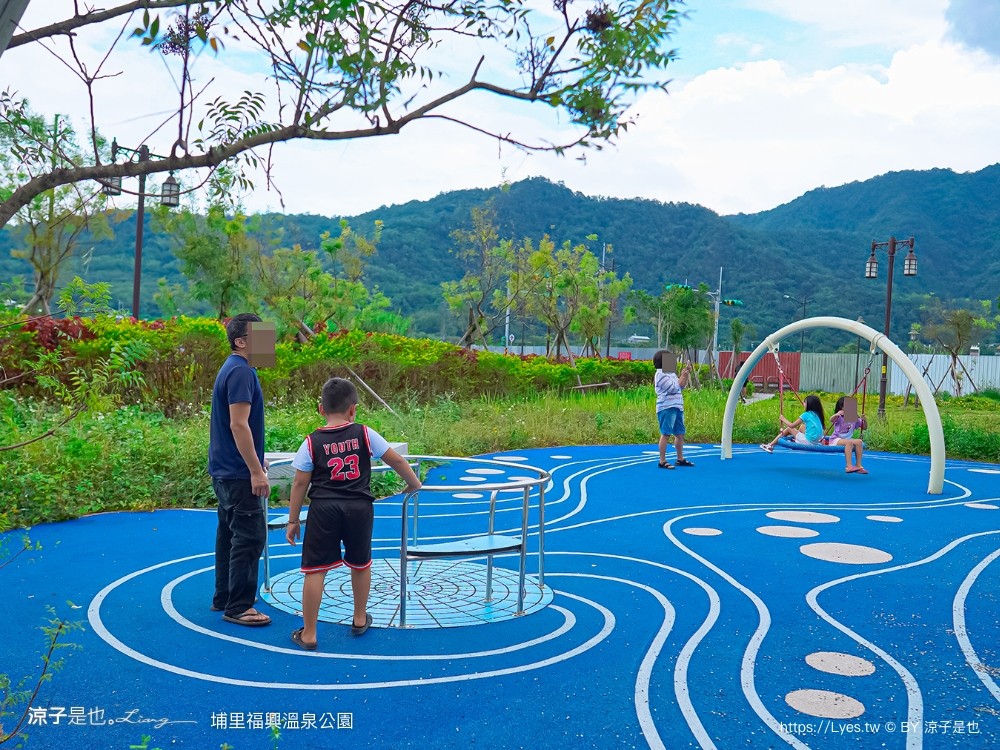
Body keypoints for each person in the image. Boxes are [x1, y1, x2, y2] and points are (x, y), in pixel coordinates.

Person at [285, 377, 421, 649]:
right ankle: (359, 618)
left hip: (323, 509)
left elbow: (300, 483)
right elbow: (395, 459)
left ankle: (309, 633)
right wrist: (414, 483)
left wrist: (293, 519)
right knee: (360, 563)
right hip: (359, 508)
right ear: (353, 409)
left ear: (321, 409)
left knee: (315, 569)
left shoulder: (311, 442)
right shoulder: (365, 434)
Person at [209, 313, 271, 626]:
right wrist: (255, 471)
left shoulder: (233, 368)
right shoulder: (242, 372)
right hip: (237, 473)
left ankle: (224, 596)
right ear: (241, 341)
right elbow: (238, 424)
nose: (268, 342)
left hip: (225, 470)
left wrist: (257, 460)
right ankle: (239, 606)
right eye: (261, 336)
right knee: (250, 537)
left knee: (229, 534)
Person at [654, 350, 694, 469]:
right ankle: (662, 461)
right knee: (666, 434)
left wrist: (685, 375)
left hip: (677, 406)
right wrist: (682, 376)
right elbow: (673, 388)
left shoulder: (671, 373)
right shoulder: (660, 374)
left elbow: (681, 386)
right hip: (666, 407)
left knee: (680, 434)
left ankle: (680, 458)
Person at [760, 394, 825, 452]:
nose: (803, 403)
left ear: (809, 405)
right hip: (816, 442)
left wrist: (783, 419)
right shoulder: (818, 415)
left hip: (809, 442)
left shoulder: (806, 415)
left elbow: (792, 425)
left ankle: (770, 445)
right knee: (802, 427)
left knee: (789, 429)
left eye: (805, 402)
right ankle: (798, 440)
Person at [826, 395, 868, 474]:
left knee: (859, 442)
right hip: (835, 439)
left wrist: (864, 420)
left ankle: (858, 465)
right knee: (849, 442)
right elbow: (831, 420)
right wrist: (836, 414)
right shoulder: (840, 417)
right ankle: (849, 466)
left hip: (846, 440)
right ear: (842, 408)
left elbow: (864, 427)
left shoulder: (853, 417)